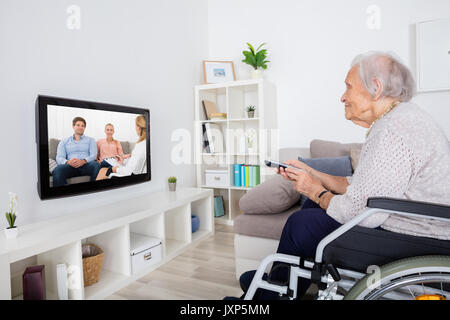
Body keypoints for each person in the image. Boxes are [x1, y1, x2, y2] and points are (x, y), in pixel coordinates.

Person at [233, 51, 450, 300]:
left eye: (348, 87)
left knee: (299, 225)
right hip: (420, 228)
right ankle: (279, 283)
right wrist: (312, 173)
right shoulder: (402, 118)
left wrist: (312, 189)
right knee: (312, 209)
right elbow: (359, 187)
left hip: (419, 236)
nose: (342, 97)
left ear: (376, 88)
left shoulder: (393, 131)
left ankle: (271, 292)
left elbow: (359, 212)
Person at [52, 117, 101, 187]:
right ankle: (62, 196)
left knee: (96, 165)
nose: (80, 127)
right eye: (78, 125)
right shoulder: (64, 141)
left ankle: (93, 191)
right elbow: (59, 157)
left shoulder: (91, 140)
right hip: (70, 166)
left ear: (84, 128)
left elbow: (93, 155)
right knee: (58, 170)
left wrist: (83, 161)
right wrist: (68, 162)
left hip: (86, 165)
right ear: (73, 126)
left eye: (82, 126)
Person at [96, 115, 147, 180]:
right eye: (107, 130)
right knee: (102, 169)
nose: (109, 131)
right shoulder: (99, 141)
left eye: (111, 130)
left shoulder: (118, 142)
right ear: (105, 131)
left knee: (103, 171)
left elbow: (122, 157)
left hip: (117, 165)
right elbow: (96, 154)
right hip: (103, 161)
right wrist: (98, 160)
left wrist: (116, 168)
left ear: (139, 128)